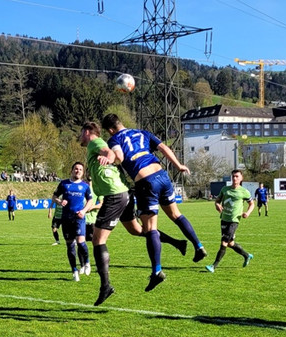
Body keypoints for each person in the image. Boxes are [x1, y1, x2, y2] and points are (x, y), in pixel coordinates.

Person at [78, 121, 193, 306]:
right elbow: (114, 155)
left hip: (114, 195)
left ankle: (105, 286)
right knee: (137, 230)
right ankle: (177, 242)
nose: (79, 137)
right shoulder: (98, 144)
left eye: (80, 133)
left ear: (87, 131)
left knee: (98, 240)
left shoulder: (94, 142)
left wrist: (108, 156)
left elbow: (107, 151)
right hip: (124, 193)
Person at [100, 113, 208, 292]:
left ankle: (157, 271)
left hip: (146, 182)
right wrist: (178, 165)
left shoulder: (114, 139)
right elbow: (164, 148)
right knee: (176, 214)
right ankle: (198, 246)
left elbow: (118, 156)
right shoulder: (142, 132)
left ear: (111, 130)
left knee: (150, 229)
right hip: (162, 175)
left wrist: (109, 159)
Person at [206, 169, 255, 272]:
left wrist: (248, 213)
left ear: (241, 178)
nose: (234, 178)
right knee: (230, 243)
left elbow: (252, 204)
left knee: (224, 242)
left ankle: (213, 266)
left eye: (237, 176)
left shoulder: (244, 192)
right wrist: (217, 205)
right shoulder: (225, 189)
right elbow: (217, 201)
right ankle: (246, 255)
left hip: (234, 220)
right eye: (233, 176)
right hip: (224, 218)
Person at [53, 162, 92, 281]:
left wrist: (84, 211)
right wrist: (59, 202)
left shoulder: (85, 186)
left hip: (79, 218)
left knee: (81, 243)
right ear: (72, 170)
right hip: (66, 219)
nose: (78, 171)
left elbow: (90, 201)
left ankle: (87, 262)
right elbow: (54, 197)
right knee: (70, 245)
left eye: (80, 169)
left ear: (83, 172)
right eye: (76, 169)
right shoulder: (64, 184)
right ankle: (74, 270)